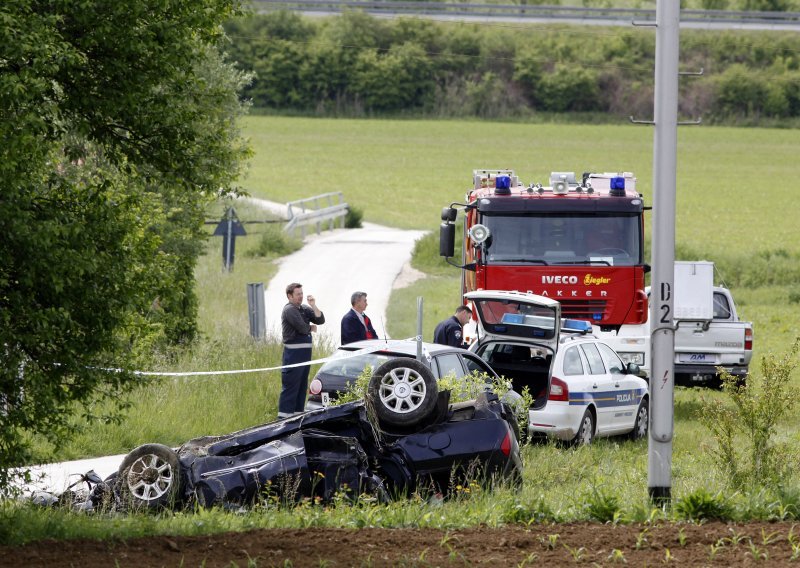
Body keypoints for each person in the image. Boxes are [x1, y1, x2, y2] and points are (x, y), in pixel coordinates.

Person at [279, 282, 325, 418]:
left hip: (305, 356)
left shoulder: (304, 308)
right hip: (293, 356)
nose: (301, 296)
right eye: (297, 294)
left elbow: (320, 319)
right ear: (290, 296)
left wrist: (313, 305)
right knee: (291, 388)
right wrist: (310, 328)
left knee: (301, 387)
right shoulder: (289, 310)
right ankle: (284, 420)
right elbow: (302, 328)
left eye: (301, 294)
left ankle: (297, 418)